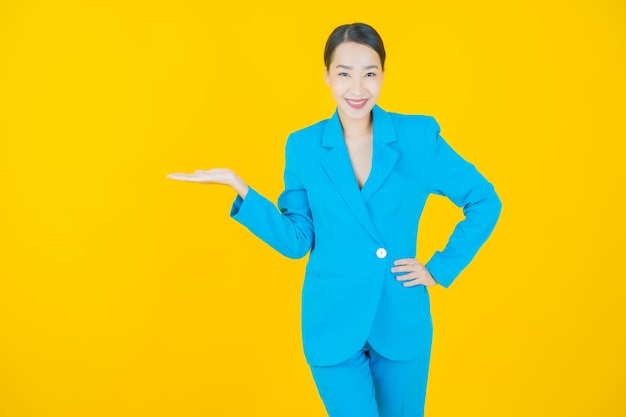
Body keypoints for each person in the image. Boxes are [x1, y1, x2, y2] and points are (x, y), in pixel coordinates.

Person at [167, 22, 502, 417]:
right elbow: (296, 240)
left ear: (382, 76)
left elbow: (484, 200)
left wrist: (438, 268)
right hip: (332, 321)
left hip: (400, 317)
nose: (357, 89)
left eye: (369, 74)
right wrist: (241, 190)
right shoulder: (304, 145)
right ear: (327, 76)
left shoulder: (418, 136)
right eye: (344, 74)